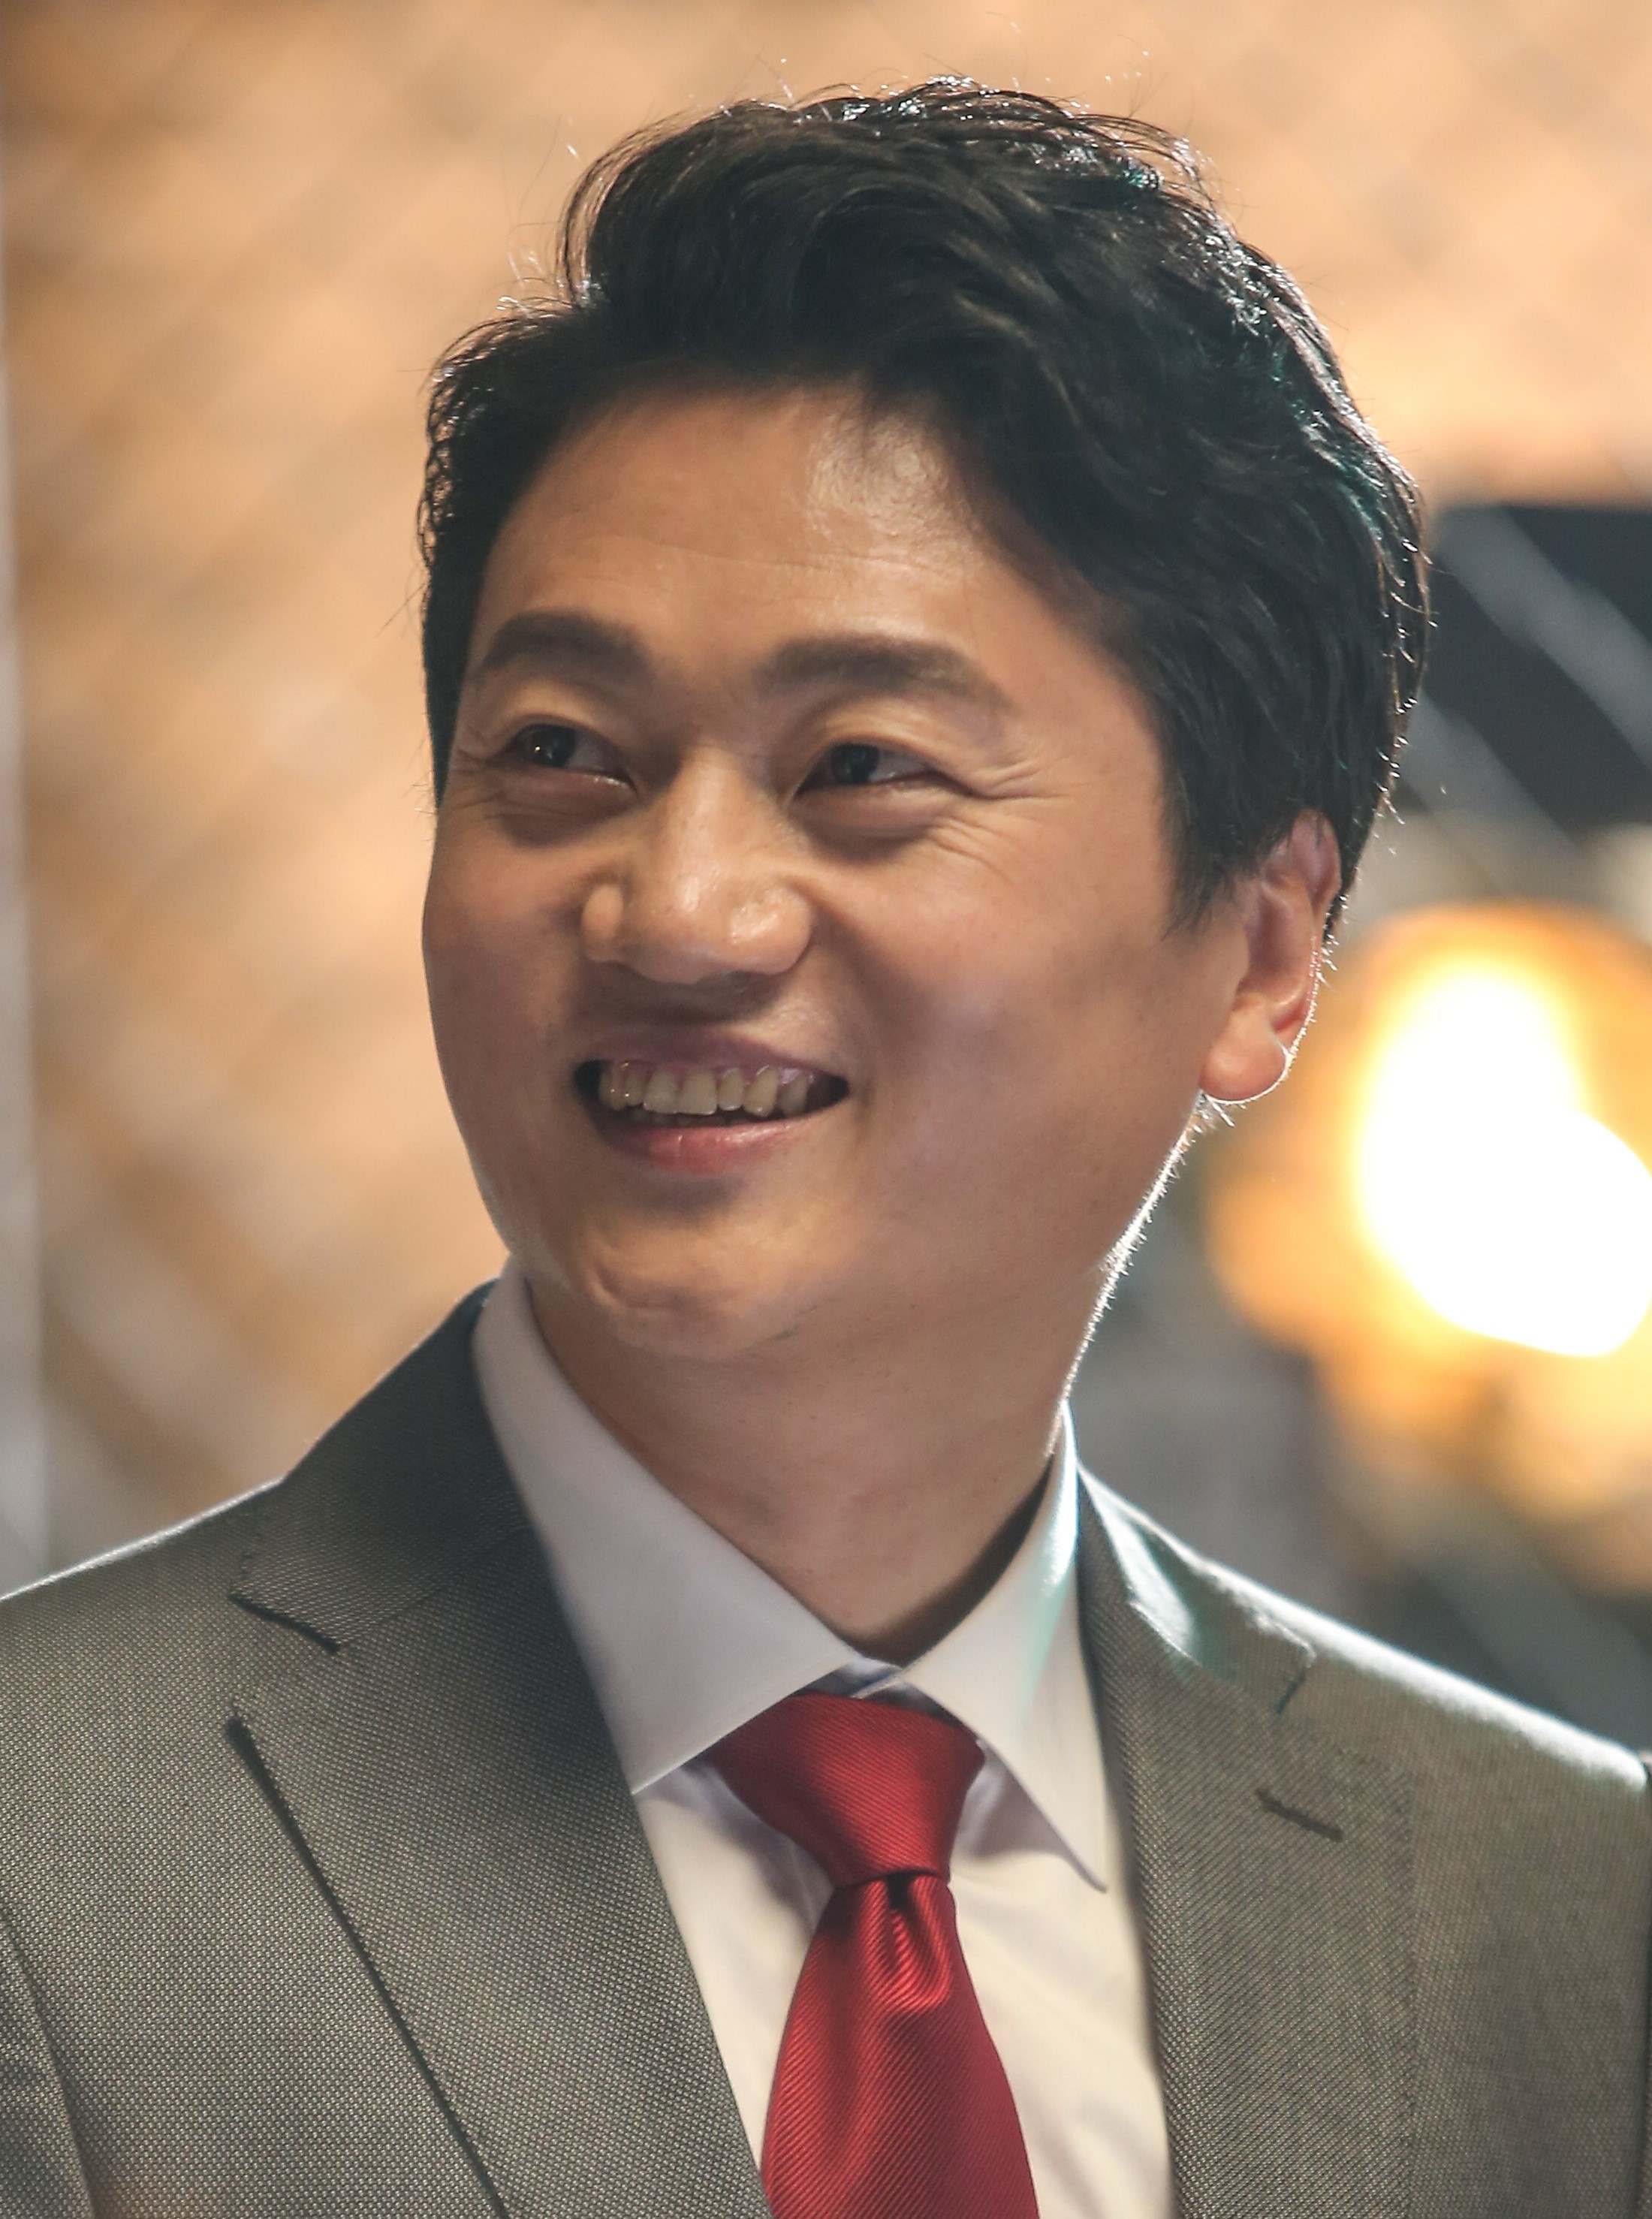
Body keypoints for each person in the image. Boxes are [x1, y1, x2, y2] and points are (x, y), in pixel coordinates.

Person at [1, 80, 1647, 2219]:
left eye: (861, 767)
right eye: (562, 753)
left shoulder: (1568, 1922)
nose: (678, 911)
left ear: (1260, 950)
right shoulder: (55, 1860)